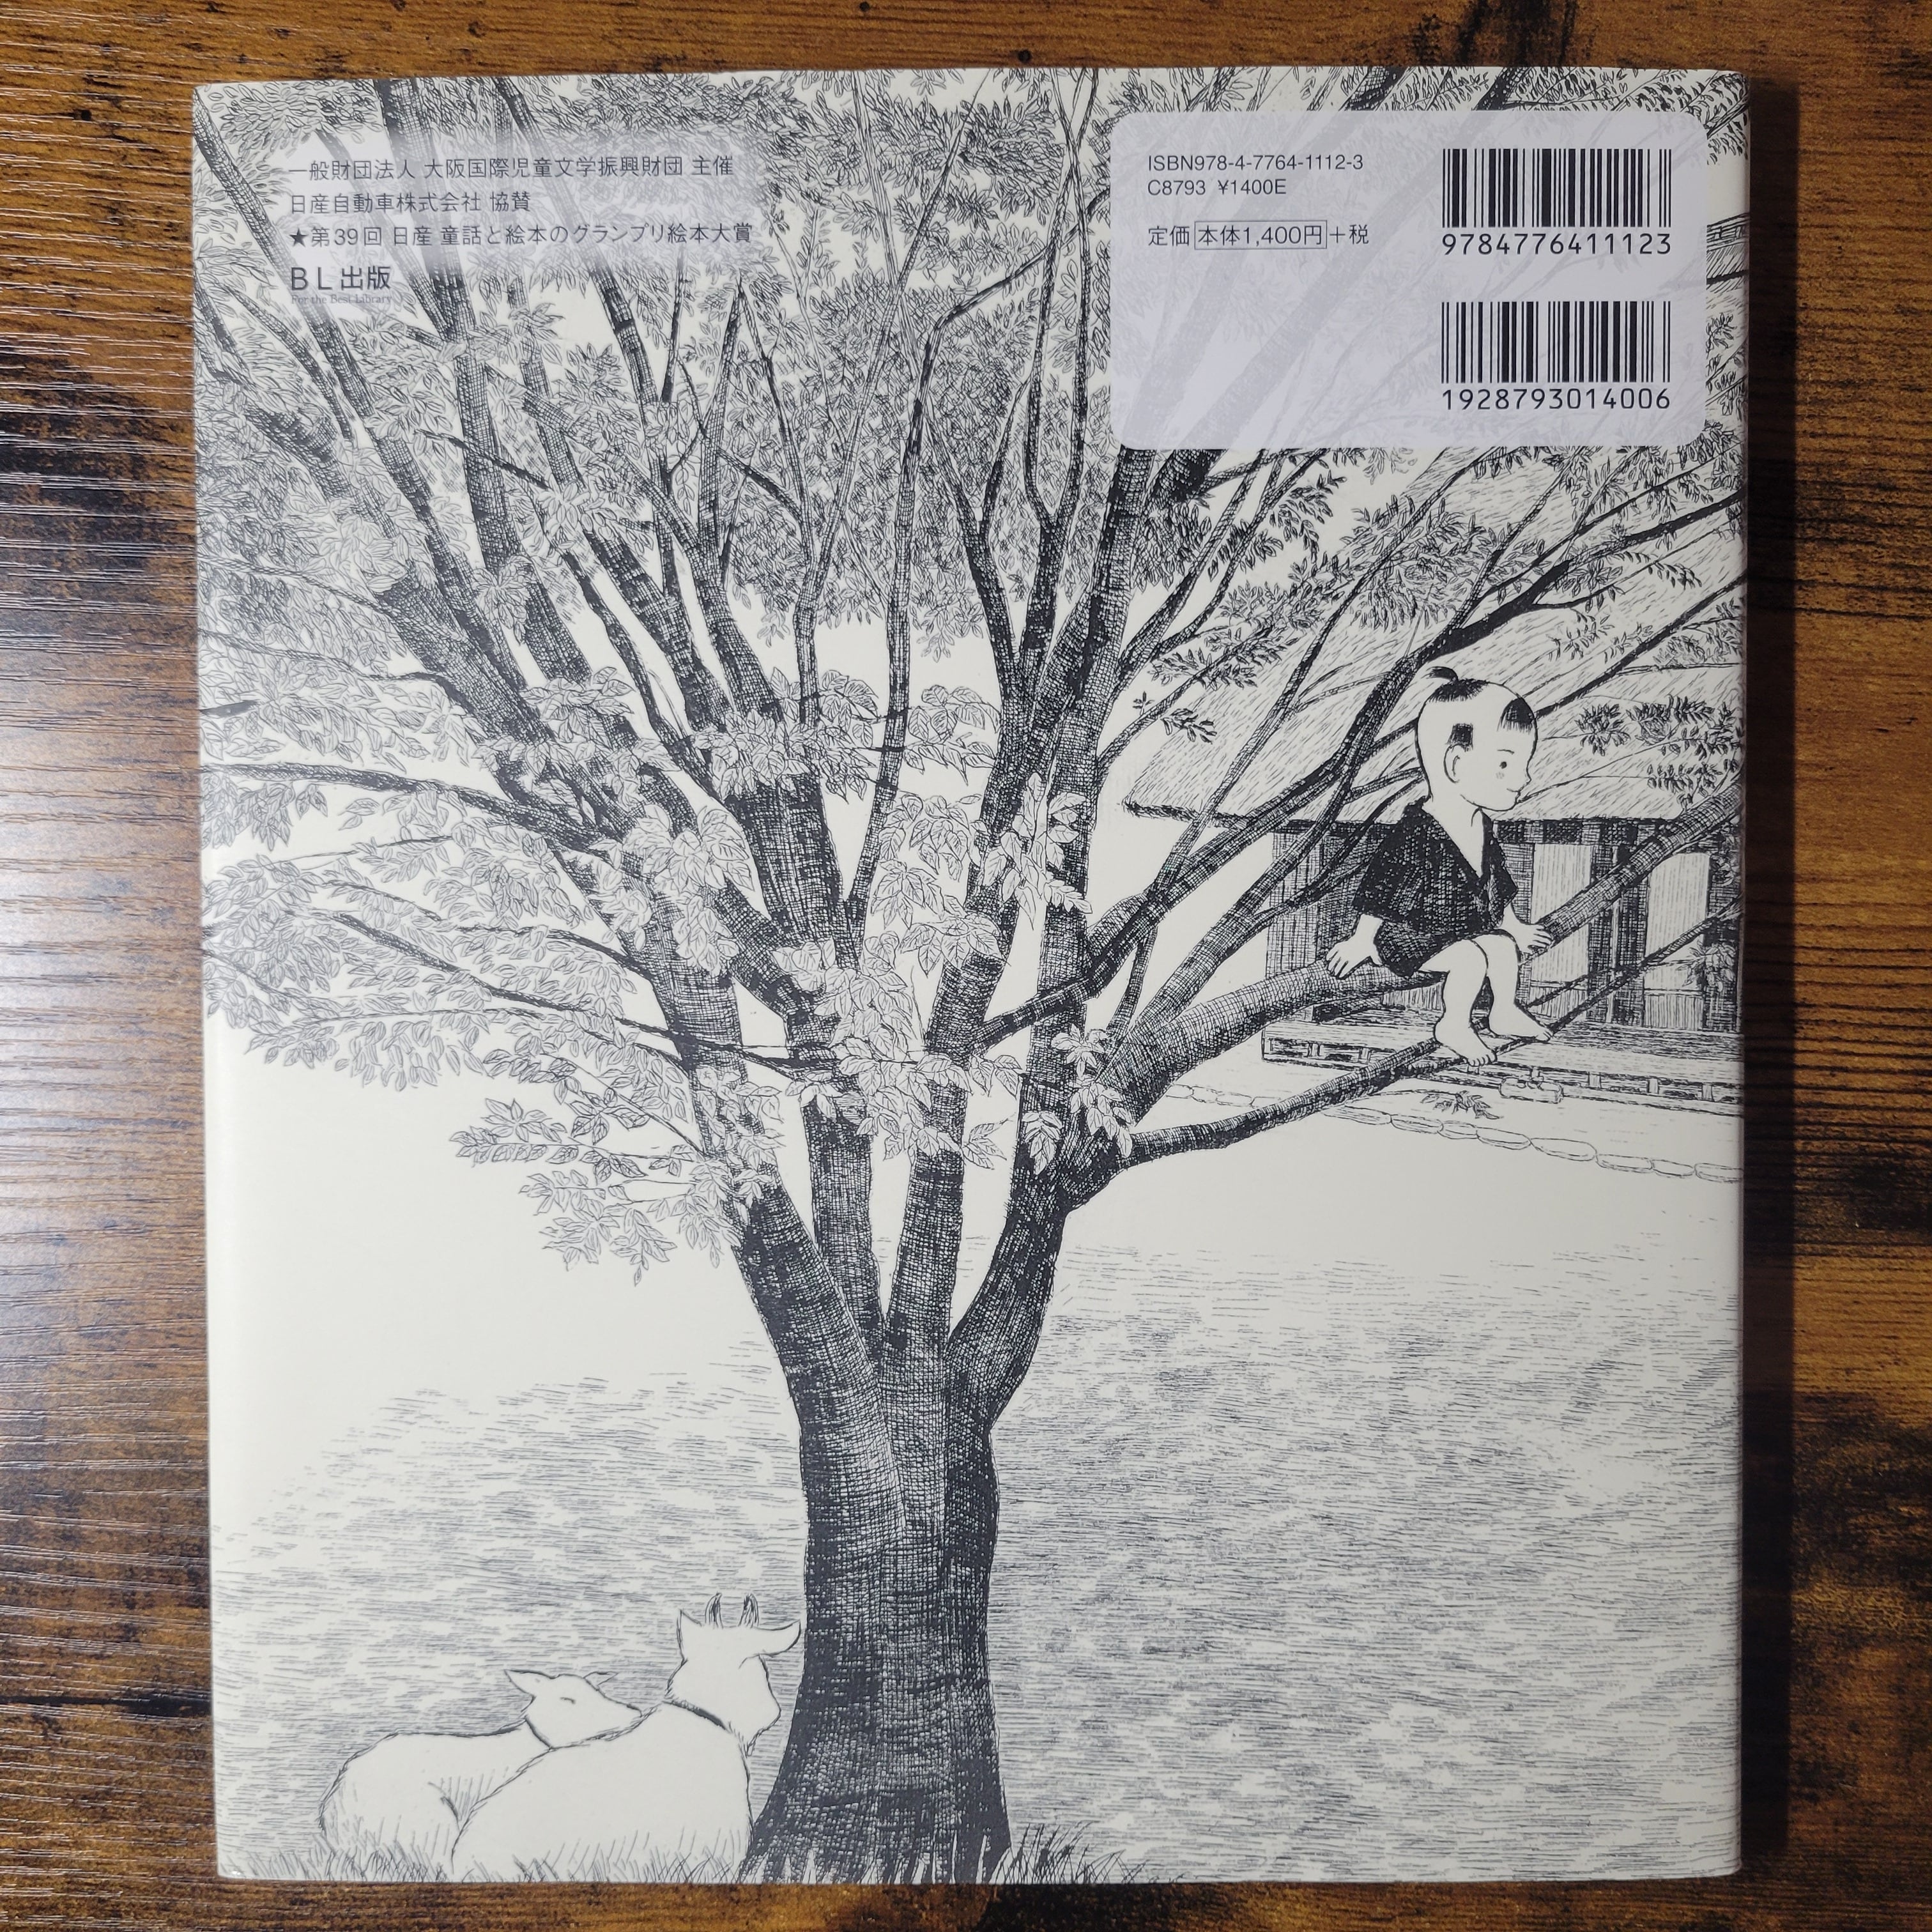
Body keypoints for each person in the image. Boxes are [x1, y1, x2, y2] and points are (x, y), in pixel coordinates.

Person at [1324, 668, 1552, 1064]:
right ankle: (1454, 1024)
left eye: (1524, 763)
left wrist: (1513, 925)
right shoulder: (1417, 831)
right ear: (1456, 764)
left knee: (1502, 946)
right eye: (1505, 764)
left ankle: (1503, 1011)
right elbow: (1382, 887)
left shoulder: (1481, 825)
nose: (1523, 778)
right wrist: (1362, 940)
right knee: (1471, 958)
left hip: (1459, 929)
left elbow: (1496, 880)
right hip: (1410, 936)